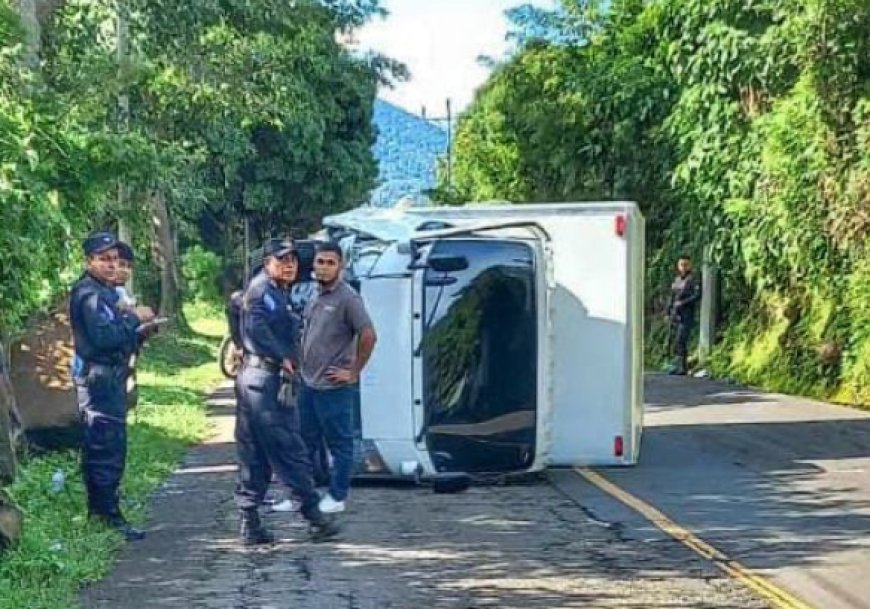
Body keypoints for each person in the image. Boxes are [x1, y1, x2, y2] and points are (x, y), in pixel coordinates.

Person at [234, 238, 339, 544]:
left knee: (256, 453)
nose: (289, 264)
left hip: (261, 377)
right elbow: (256, 329)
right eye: (282, 260)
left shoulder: (276, 291)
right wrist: (283, 356)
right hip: (264, 380)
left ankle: (250, 522)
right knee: (288, 448)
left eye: (292, 259)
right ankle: (314, 516)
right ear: (267, 263)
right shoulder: (261, 291)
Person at [69, 231, 155, 541]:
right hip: (98, 379)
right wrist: (133, 319)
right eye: (103, 259)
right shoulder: (89, 294)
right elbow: (105, 337)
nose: (111, 265)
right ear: (88, 261)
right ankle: (105, 514)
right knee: (104, 446)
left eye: (114, 260)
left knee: (111, 444)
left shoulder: (103, 292)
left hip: (110, 375)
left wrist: (139, 330)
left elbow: (117, 336)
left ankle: (106, 505)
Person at [300, 242, 377, 514]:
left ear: (341, 266)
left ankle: (337, 495)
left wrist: (353, 371)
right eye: (320, 262)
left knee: (341, 444)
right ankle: (303, 494)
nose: (324, 267)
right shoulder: (314, 294)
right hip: (308, 383)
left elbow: (368, 334)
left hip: (333, 386)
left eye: (330, 263)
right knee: (305, 441)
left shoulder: (348, 298)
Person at [665, 255, 701, 375]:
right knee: (676, 341)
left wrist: (683, 303)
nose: (683, 267)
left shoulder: (693, 279)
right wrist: (667, 312)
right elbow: (671, 297)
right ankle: (678, 365)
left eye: (686, 265)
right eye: (681, 265)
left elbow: (697, 296)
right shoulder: (676, 280)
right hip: (676, 315)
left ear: (690, 265)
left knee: (681, 340)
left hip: (687, 314)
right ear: (678, 266)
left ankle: (683, 368)